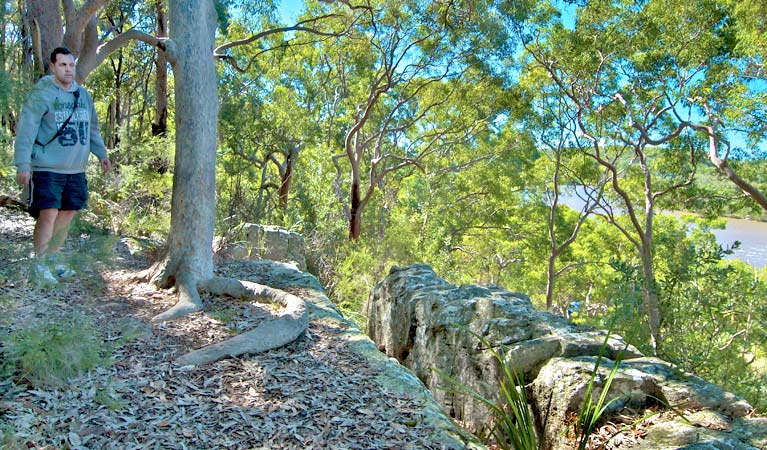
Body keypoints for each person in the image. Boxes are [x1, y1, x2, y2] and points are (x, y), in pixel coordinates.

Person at [14, 47, 111, 286]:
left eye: (71, 65)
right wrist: (23, 164)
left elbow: (92, 129)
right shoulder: (42, 94)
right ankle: (39, 263)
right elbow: (26, 130)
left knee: (67, 214)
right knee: (48, 213)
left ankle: (52, 258)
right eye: (63, 65)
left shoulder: (83, 96)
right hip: (47, 166)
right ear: (53, 67)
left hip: (75, 169)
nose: (68, 70)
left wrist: (101, 154)